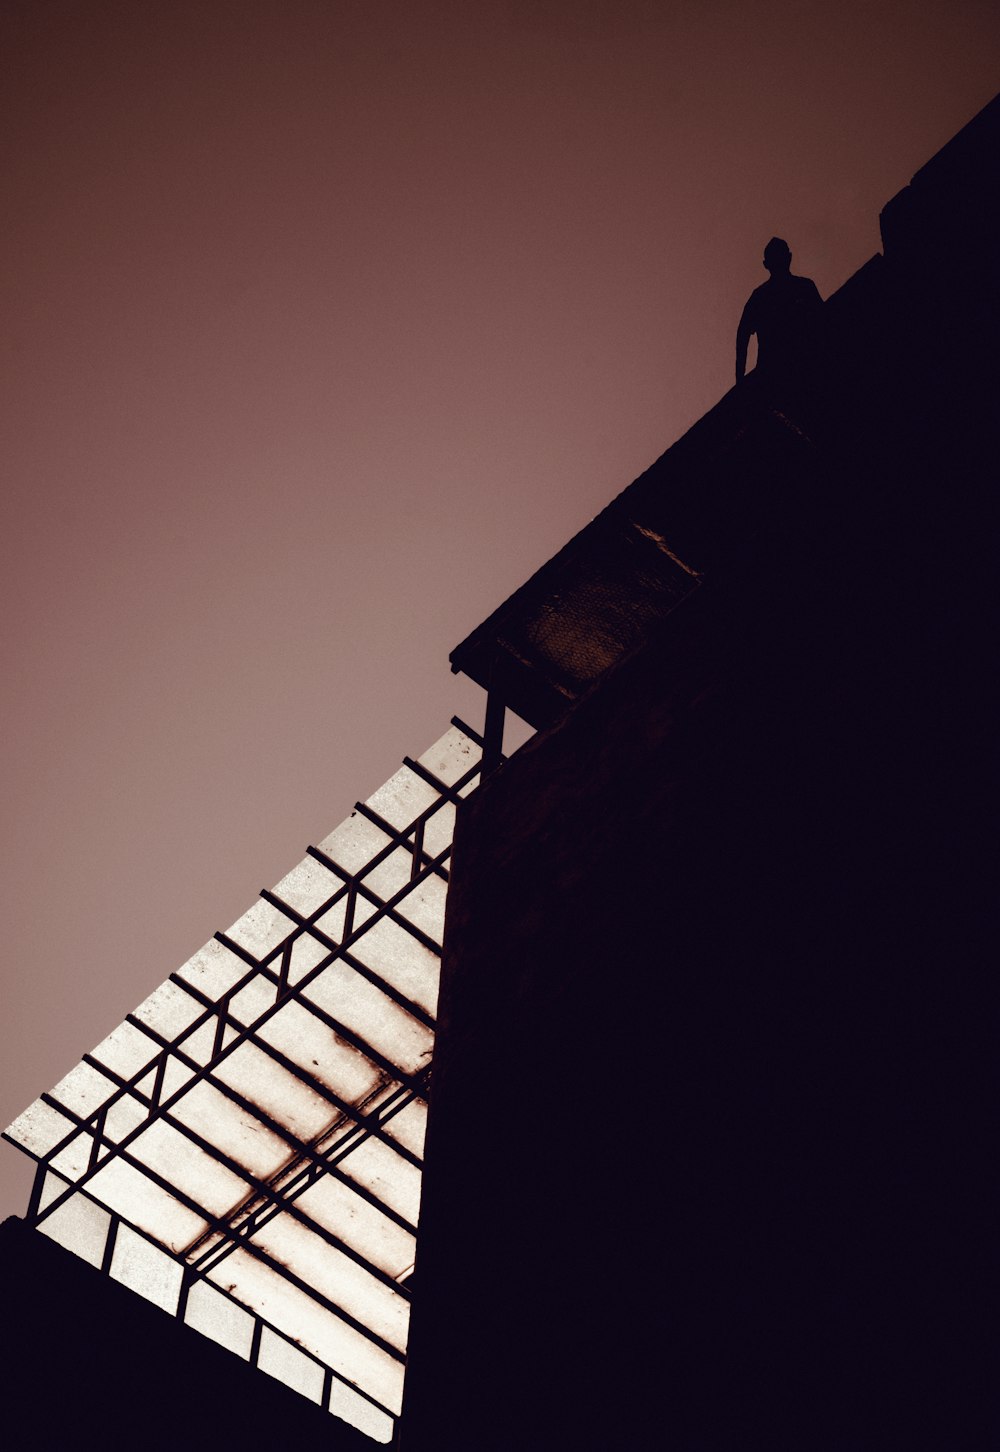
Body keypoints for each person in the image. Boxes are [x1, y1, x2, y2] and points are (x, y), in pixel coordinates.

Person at [736, 237, 823, 386]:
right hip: (776, 372)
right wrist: (740, 381)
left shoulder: (803, 288)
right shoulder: (761, 297)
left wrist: (740, 379)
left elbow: (824, 321)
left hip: (801, 366)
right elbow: (742, 335)